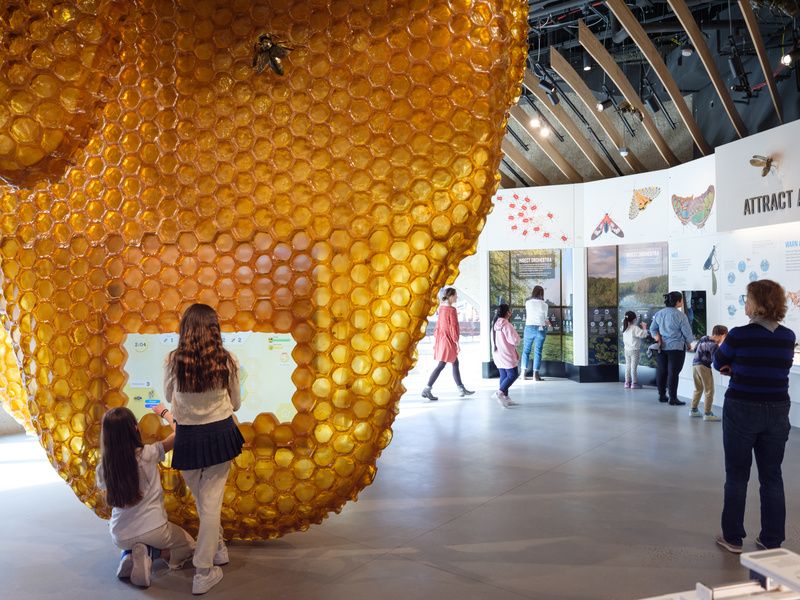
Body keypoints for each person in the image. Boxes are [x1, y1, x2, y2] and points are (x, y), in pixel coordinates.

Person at [165, 303, 245, 594]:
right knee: (208, 504)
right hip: (219, 434)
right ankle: (205, 567)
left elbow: (167, 397)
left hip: (186, 437)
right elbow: (235, 403)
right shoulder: (227, 360)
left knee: (206, 503)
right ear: (214, 329)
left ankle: (210, 558)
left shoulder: (174, 361)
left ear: (185, 329)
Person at [713, 280, 795, 553]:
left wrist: (734, 367)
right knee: (772, 476)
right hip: (778, 410)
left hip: (742, 407)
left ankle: (733, 537)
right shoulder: (787, 336)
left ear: (759, 303)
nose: (745, 304)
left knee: (736, 475)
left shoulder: (739, 335)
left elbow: (718, 360)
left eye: (747, 299)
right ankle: (772, 539)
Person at [96, 407, 195, 589]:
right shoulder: (149, 453)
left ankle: (128, 554)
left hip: (119, 534)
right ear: (135, 427)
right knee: (189, 545)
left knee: (129, 537)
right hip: (155, 530)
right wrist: (164, 412)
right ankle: (152, 552)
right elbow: (180, 432)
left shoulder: (103, 467)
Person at [422, 288, 474, 401]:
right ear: (450, 296)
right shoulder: (451, 310)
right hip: (448, 340)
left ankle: (460, 388)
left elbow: (439, 326)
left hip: (441, 339)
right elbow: (453, 327)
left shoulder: (441, 308)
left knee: (453, 362)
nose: (456, 297)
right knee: (442, 364)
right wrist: (457, 342)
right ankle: (427, 389)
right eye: (455, 295)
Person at [650, 291, 694, 405]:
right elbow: (687, 333)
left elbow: (653, 329)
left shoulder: (659, 313)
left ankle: (662, 395)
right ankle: (673, 398)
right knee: (673, 373)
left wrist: (658, 338)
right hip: (676, 348)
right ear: (678, 301)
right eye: (681, 300)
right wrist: (689, 343)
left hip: (662, 347)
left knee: (662, 371)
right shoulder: (681, 315)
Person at [690, 324, 728, 421]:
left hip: (695, 364)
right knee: (709, 390)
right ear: (722, 335)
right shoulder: (714, 345)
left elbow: (695, 349)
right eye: (725, 336)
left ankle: (693, 410)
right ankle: (707, 413)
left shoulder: (704, 338)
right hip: (704, 366)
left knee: (698, 388)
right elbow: (716, 361)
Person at [492, 304, 520, 408]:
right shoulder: (507, 325)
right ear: (507, 312)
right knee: (513, 374)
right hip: (507, 354)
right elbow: (514, 340)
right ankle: (500, 393)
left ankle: (506, 398)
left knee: (504, 375)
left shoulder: (495, 324)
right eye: (510, 311)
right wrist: (518, 339)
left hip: (498, 354)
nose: (511, 312)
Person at [520, 285, 551, 381]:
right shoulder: (545, 305)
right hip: (540, 329)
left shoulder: (528, 303)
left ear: (533, 292)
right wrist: (549, 324)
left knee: (526, 351)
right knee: (538, 352)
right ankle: (535, 375)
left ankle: (523, 375)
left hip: (529, 328)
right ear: (542, 293)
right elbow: (545, 319)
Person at [622, 311, 649, 389]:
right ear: (634, 319)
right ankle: (634, 383)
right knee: (633, 367)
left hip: (626, 350)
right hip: (634, 350)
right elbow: (643, 335)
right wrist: (644, 327)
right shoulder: (634, 328)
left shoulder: (624, 327)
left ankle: (627, 382)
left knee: (628, 366)